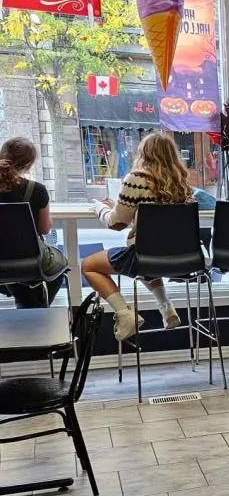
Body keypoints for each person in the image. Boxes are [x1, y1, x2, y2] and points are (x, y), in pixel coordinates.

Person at [82, 131, 192, 341]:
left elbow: (116, 223)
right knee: (148, 264)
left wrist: (99, 208)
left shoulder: (137, 179)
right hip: (180, 256)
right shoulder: (182, 184)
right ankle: (167, 309)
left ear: (144, 154)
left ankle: (124, 314)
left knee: (88, 266)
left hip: (145, 256)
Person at [0, 136, 67, 307]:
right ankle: (36, 309)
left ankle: (23, 299)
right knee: (60, 264)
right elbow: (44, 229)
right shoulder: (36, 190)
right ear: (29, 165)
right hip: (28, 258)